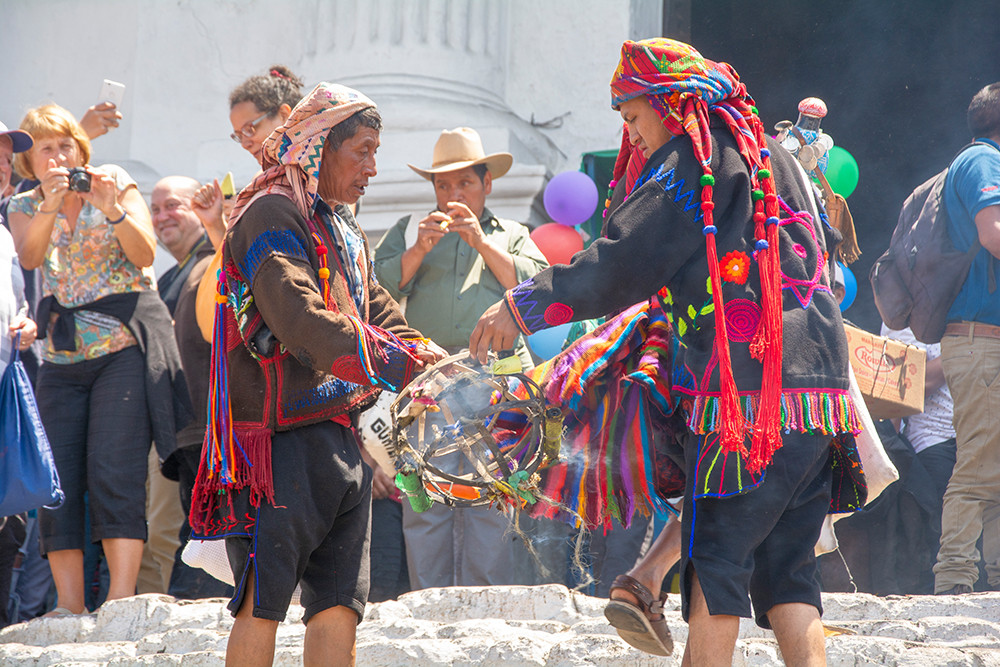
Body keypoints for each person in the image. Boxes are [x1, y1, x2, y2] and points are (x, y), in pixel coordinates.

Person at [471, 39, 861, 665]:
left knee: (715, 561)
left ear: (670, 104)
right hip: (820, 397)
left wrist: (523, 304)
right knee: (790, 572)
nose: (631, 135)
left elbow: (621, 263)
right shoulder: (773, 158)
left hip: (748, 400)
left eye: (631, 117)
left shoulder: (693, 160)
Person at [187, 82, 445, 667]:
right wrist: (394, 360)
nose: (373, 168)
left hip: (340, 436)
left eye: (376, 153)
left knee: (339, 605)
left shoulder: (341, 225)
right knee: (264, 601)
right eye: (363, 151)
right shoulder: (270, 212)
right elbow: (299, 317)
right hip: (281, 443)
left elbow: (373, 305)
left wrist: (429, 360)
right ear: (319, 147)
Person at [7, 104, 190, 617]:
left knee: (116, 468)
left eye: (66, 144)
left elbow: (145, 253)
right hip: (62, 357)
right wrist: (50, 201)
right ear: (33, 162)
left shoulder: (114, 181)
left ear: (80, 149)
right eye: (47, 148)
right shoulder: (24, 203)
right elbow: (30, 257)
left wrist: (111, 208)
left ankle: (119, 598)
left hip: (122, 350)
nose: (59, 154)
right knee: (58, 475)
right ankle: (68, 604)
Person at [372, 126, 548, 589]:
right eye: (443, 185)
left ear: (486, 184)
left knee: (492, 494)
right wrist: (419, 250)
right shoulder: (410, 230)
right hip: (426, 381)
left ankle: (485, 607)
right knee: (424, 496)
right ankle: (429, 605)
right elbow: (374, 295)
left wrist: (481, 243)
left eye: (464, 183)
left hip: (499, 382)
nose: (453, 194)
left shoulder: (512, 233)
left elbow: (536, 293)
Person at [146, 176, 232, 600]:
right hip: (182, 431)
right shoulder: (167, 280)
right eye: (155, 208)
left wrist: (220, 227)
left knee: (208, 536)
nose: (162, 217)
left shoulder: (213, 259)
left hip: (213, 428)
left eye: (173, 206)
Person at [932, 82, 1000, 596]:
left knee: (992, 462)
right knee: (979, 461)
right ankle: (954, 579)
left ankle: (993, 578)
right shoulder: (983, 160)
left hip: (982, 343)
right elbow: (993, 231)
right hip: (982, 342)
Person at [0, 121, 38, 628]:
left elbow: (19, 304)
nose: (4, 167)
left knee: (8, 528)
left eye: (6, 158)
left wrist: (26, 323)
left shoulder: (5, 235)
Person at [228, 65, 305, 162]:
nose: (245, 144)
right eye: (239, 136)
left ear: (284, 115)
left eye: (249, 129)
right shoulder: (267, 175)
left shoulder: (324, 163)